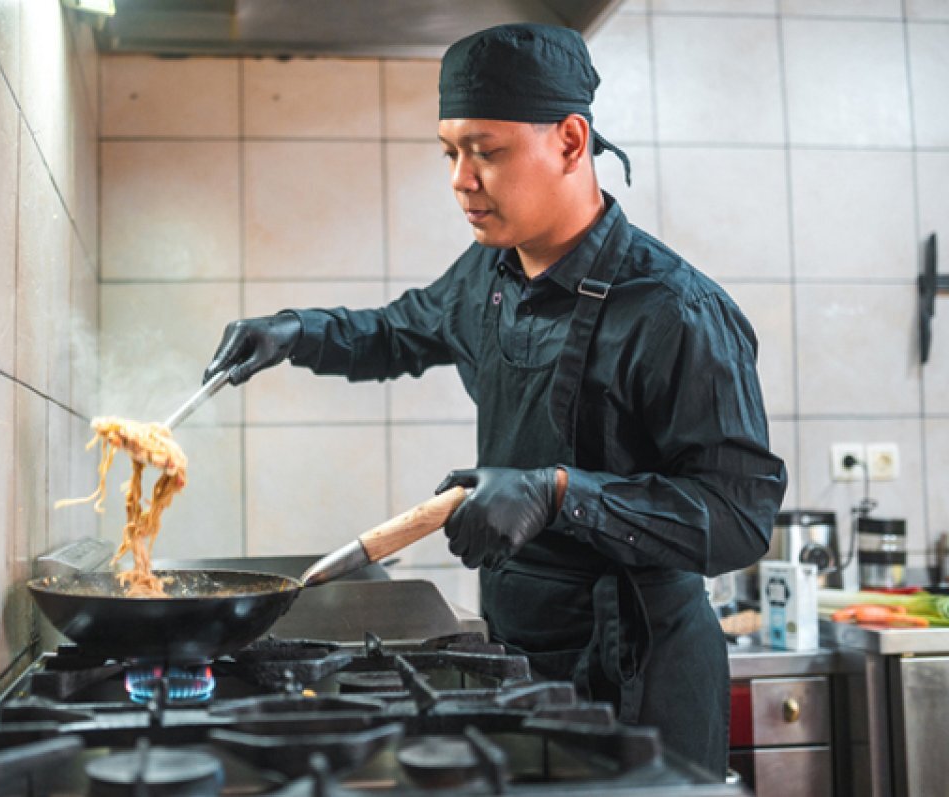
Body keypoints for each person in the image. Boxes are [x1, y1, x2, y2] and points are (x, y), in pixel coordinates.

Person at [203, 23, 787, 776]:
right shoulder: (489, 276)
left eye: (486, 150)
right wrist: (296, 331)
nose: (461, 179)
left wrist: (559, 493)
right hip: (516, 665)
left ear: (571, 142)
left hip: (642, 682)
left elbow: (740, 514)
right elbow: (398, 331)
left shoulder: (675, 310)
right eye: (450, 152)